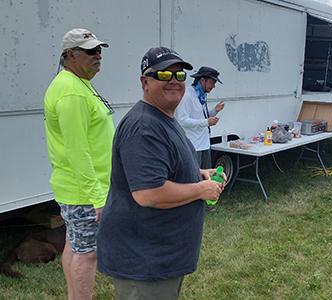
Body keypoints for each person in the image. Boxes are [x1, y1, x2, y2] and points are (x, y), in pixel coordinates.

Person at [96, 47, 226, 300]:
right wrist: (201, 190)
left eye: (179, 76)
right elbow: (149, 193)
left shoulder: (163, 117)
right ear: (145, 81)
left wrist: (199, 174)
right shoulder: (144, 127)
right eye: (164, 75)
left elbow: (162, 167)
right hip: (144, 262)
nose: (174, 81)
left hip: (160, 258)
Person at [43, 28, 112, 300]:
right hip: (84, 192)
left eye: (99, 50)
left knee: (74, 245)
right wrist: (97, 198)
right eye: (90, 51)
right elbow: (77, 150)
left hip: (77, 189)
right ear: (70, 55)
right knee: (88, 254)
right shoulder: (71, 92)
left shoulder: (77, 84)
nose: (98, 56)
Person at [175, 66, 224, 169]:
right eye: (212, 82)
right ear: (202, 80)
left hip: (204, 145)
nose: (214, 86)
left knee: (205, 180)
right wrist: (206, 122)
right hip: (193, 147)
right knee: (194, 181)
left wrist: (215, 110)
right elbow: (182, 121)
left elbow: (203, 117)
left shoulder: (201, 95)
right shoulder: (187, 95)